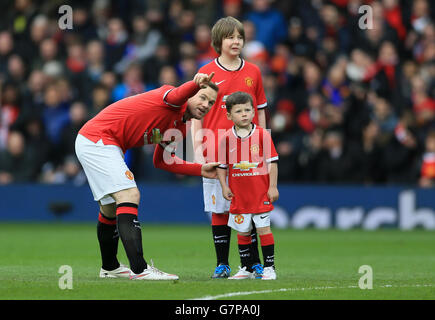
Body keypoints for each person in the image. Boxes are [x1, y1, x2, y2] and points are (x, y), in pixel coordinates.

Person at [75, 72, 219, 280]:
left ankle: (110, 267)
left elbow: (161, 161)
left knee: (110, 208)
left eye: (211, 102)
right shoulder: (171, 98)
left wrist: (200, 169)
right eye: (202, 97)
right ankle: (140, 269)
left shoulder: (180, 124)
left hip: (99, 142)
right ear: (191, 94)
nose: (206, 104)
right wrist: (195, 83)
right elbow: (179, 93)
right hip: (99, 139)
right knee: (130, 195)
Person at [192, 16, 268, 279]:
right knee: (219, 208)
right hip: (215, 149)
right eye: (230, 37)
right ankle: (222, 264)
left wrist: (264, 144)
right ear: (218, 41)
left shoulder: (253, 72)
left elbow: (260, 112)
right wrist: (197, 146)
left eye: (239, 36)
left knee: (251, 207)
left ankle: (253, 264)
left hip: (248, 151)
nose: (236, 41)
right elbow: (196, 113)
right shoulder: (206, 72)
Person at [216, 91, 278, 280]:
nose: (244, 114)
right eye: (238, 111)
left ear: (253, 112)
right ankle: (247, 268)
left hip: (260, 193)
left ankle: (269, 268)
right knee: (242, 232)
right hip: (239, 195)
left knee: (262, 229)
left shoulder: (262, 135)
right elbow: (222, 166)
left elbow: (272, 162)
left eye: (247, 110)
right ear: (229, 115)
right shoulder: (226, 138)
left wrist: (273, 186)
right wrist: (224, 187)